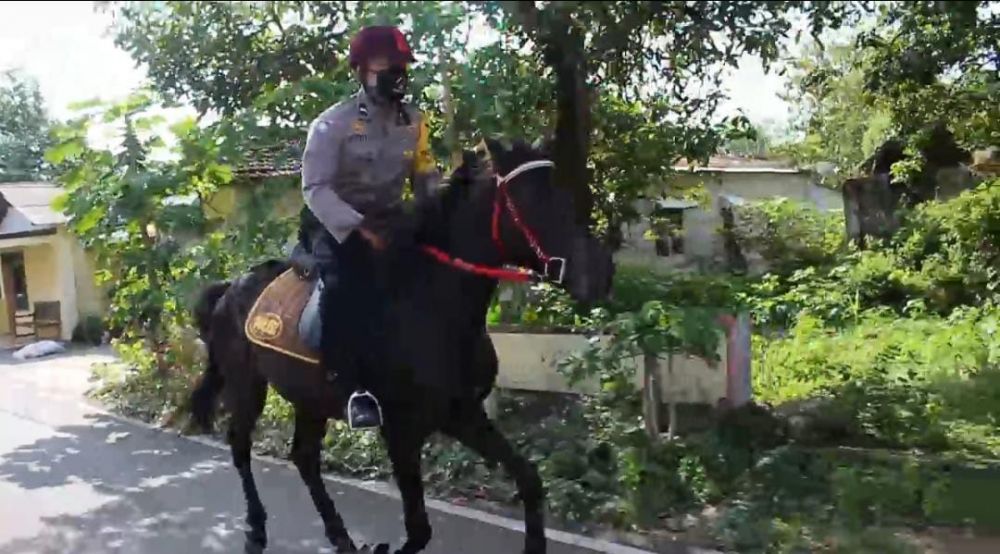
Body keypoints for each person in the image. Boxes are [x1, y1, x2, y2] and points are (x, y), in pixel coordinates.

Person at [298, 25, 440, 429]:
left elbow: (425, 175)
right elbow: (315, 188)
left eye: (401, 66)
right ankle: (354, 387)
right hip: (341, 224)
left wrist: (439, 200)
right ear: (362, 71)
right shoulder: (332, 124)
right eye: (385, 66)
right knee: (346, 289)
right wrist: (360, 228)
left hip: (395, 222)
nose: (396, 73)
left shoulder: (416, 121)